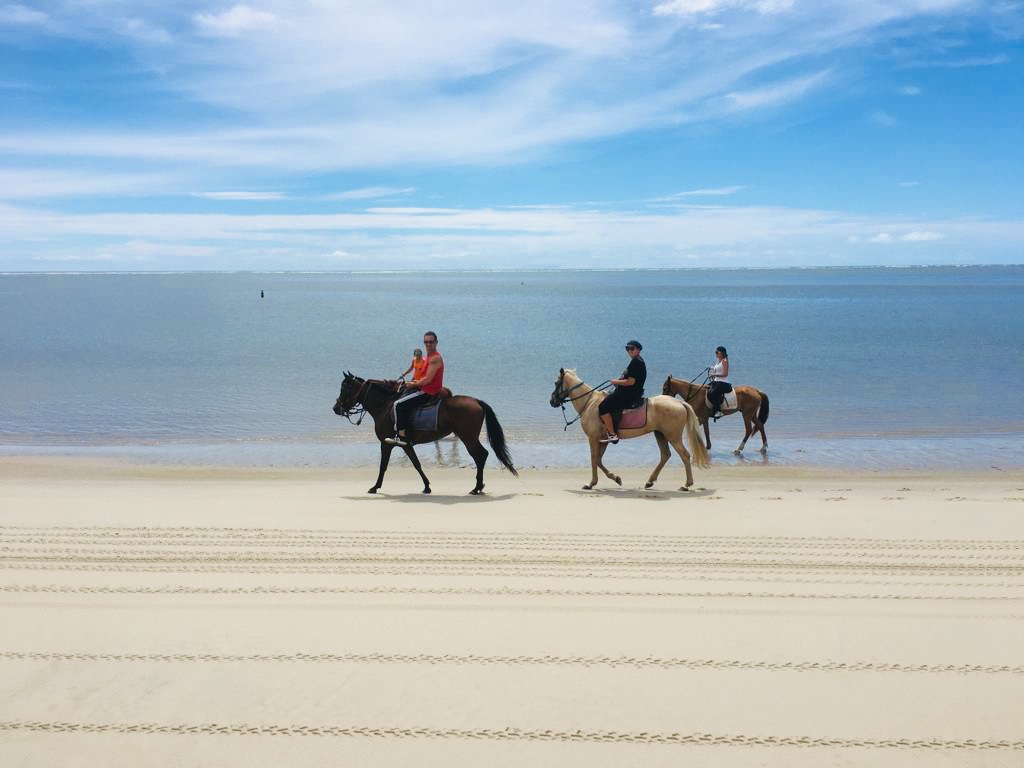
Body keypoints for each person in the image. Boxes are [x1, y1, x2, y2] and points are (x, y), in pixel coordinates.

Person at [386, 331, 444, 447]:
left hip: (427, 392)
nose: (428, 344)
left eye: (431, 342)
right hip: (424, 387)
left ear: (436, 343)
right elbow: (421, 376)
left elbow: (427, 380)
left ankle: (401, 436)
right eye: (426, 342)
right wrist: (411, 382)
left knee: (398, 404)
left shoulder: (435, 358)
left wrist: (412, 385)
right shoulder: (428, 357)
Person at [598, 340, 646, 444]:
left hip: (628, 394)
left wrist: (616, 381)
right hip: (632, 392)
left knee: (602, 407)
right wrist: (618, 382)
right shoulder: (638, 360)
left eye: (632, 348)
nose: (629, 351)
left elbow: (631, 382)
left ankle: (612, 434)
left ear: (638, 350)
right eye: (627, 349)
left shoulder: (636, 362)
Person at [707, 345, 733, 419]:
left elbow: (725, 374)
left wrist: (714, 375)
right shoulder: (718, 361)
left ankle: (718, 411)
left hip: (723, 383)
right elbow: (717, 369)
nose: (715, 354)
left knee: (713, 393)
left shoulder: (725, 361)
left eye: (716, 352)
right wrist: (711, 368)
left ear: (721, 353)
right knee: (706, 390)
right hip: (716, 381)